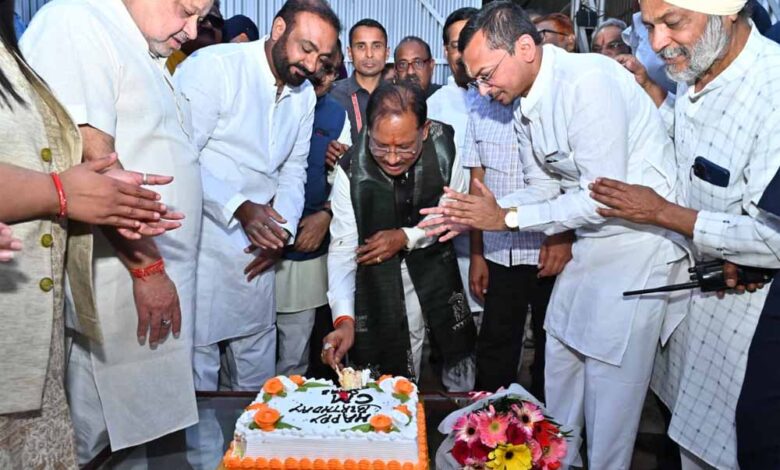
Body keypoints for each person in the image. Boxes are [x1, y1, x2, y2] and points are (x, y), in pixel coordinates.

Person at [420, 3, 686, 468]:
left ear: (525, 48)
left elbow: (601, 197)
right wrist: (480, 213)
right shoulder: (525, 103)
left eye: (486, 75)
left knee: (609, 404)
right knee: (559, 363)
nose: (482, 89)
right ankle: (555, 460)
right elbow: (543, 187)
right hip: (591, 244)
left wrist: (505, 219)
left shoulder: (588, 83)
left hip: (638, 250)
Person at [21, 0, 213, 463]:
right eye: (186, 11)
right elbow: (95, 160)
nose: (191, 32)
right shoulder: (77, 21)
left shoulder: (139, 41)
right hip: (119, 270)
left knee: (135, 426)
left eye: (200, 20)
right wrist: (148, 268)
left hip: (145, 265)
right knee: (96, 428)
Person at [593, 0, 780, 468]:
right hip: (694, 321)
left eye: (673, 23)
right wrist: (653, 96)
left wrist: (662, 213)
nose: (658, 43)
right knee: (685, 437)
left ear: (728, 11)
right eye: (649, 26)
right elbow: (687, 152)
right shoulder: (696, 65)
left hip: (750, 336)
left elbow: (774, 238)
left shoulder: (772, 91)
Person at [174, 0, 340, 392]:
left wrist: (280, 234)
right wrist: (241, 208)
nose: (312, 65)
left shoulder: (303, 95)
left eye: (322, 57)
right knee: (199, 377)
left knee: (257, 381)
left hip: (260, 254)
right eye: (306, 48)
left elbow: (294, 170)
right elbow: (181, 157)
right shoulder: (215, 68)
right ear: (278, 29)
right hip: (204, 246)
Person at [322, 82, 477, 387]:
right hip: (378, 281)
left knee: (456, 355)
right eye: (381, 146)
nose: (392, 158)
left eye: (405, 147)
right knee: (392, 372)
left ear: (424, 130)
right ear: (368, 131)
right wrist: (344, 319)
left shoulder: (445, 148)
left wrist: (407, 237)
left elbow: (452, 213)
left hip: (436, 265)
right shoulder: (350, 169)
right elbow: (342, 249)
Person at [275, 44, 346, 377]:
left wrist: (327, 213)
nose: (320, 75)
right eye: (317, 65)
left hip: (306, 245)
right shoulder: (274, 100)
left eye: (330, 69)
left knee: (295, 352)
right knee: (245, 349)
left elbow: (346, 182)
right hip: (256, 241)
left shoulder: (338, 116)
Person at [331, 19, 388, 145]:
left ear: (387, 53)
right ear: (350, 53)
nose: (369, 54)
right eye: (361, 46)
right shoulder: (331, 95)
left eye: (376, 46)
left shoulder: (400, 97)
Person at [166, 0, 223, 74]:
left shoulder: (225, 66)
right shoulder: (163, 59)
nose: (209, 25)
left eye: (216, 21)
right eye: (201, 20)